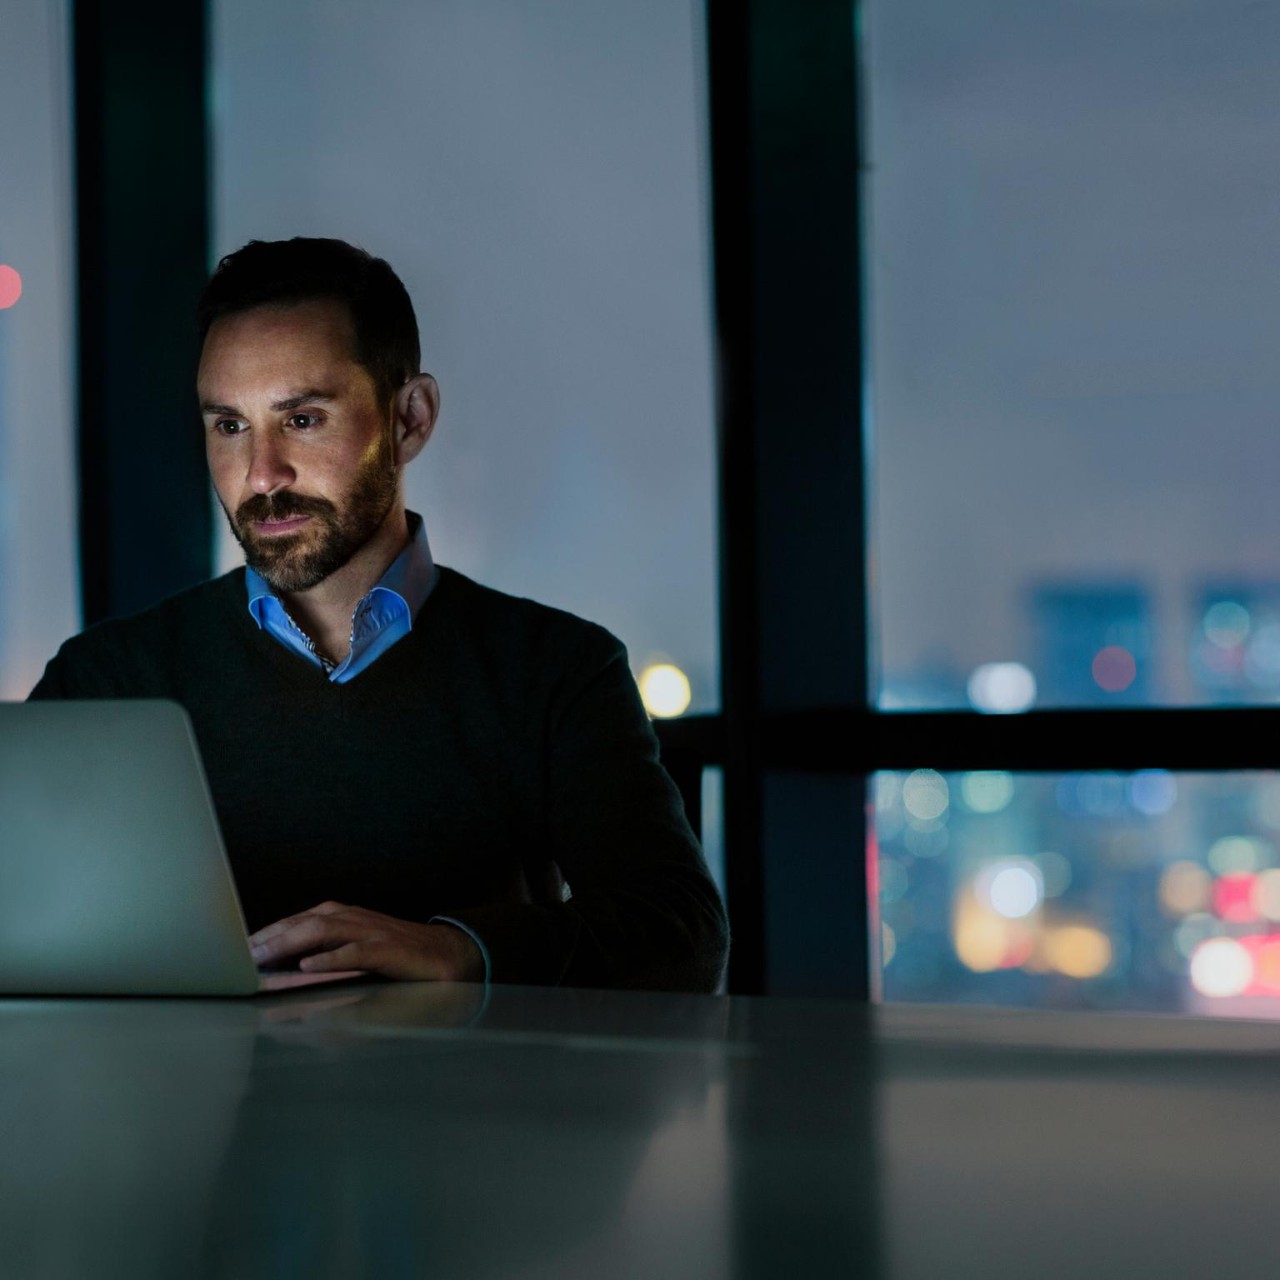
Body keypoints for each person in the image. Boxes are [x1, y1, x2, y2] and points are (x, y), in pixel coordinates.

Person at [29, 237, 729, 992]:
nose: (261, 474)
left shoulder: (556, 668)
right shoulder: (104, 677)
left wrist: (455, 949)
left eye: (302, 420)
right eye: (229, 426)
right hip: (193, 1107)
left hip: (463, 1106)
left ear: (410, 418)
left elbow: (680, 933)